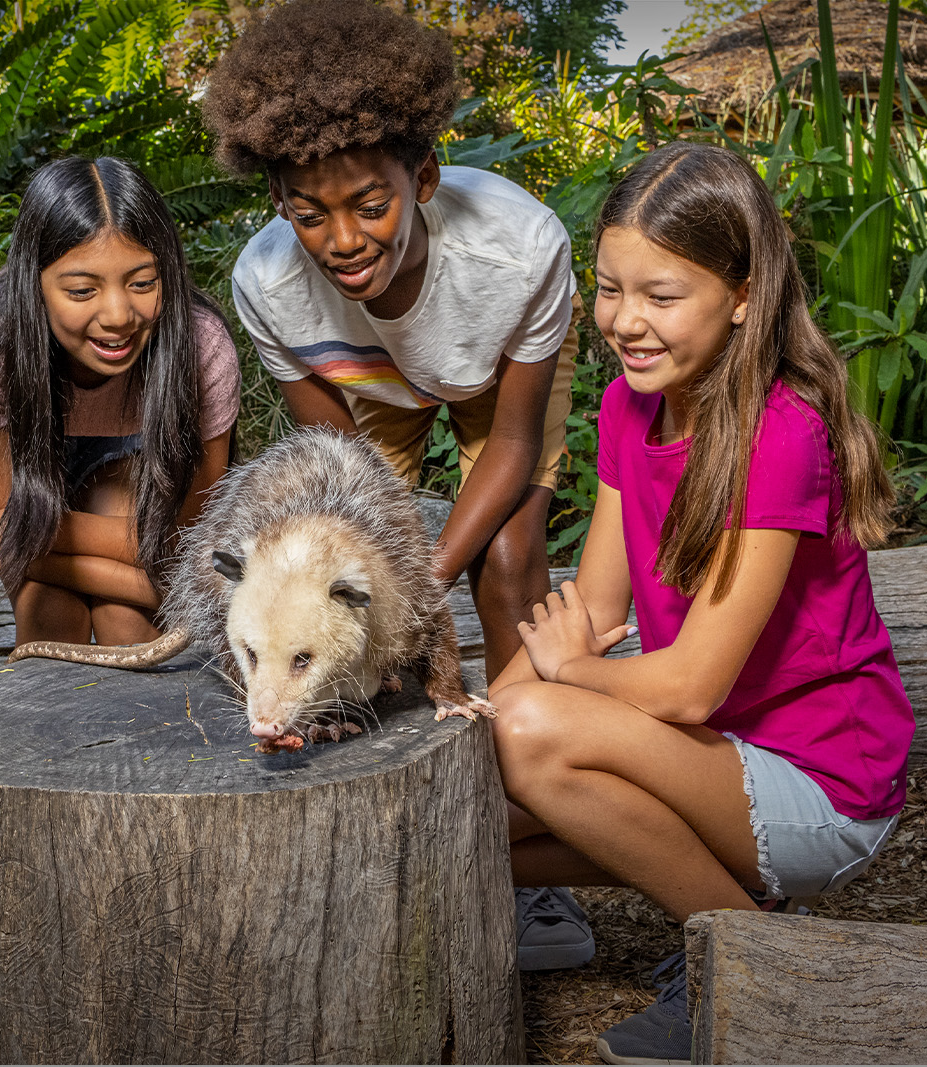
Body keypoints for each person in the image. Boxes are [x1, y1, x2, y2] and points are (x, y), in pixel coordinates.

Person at [488, 142, 914, 1065]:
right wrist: (467, 733)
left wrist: (561, 680)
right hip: (713, 753)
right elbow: (594, 606)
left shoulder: (782, 433)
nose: (626, 322)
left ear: (746, 293)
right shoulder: (627, 408)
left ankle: (750, 946)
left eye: (661, 296)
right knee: (472, 810)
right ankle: (714, 907)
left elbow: (681, 686)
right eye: (609, 289)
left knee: (527, 732)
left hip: (821, 777)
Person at [200, 0, 591, 970]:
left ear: (422, 178)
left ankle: (530, 851)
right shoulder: (269, 282)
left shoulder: (520, 248)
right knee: (358, 603)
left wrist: (424, 589)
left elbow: (505, 446)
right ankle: (386, 816)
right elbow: (342, 473)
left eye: (368, 204)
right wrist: (385, 605)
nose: (340, 236)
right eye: (308, 213)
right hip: (364, 388)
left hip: (494, 369)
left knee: (504, 559)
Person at [0, 156, 238, 644]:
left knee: (127, 622)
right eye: (82, 290)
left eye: (143, 283)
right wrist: (159, 588)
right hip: (35, 485)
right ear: (32, 284)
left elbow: (190, 534)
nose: (118, 315)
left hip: (142, 493)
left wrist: (16, 533)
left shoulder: (200, 344)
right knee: (50, 618)